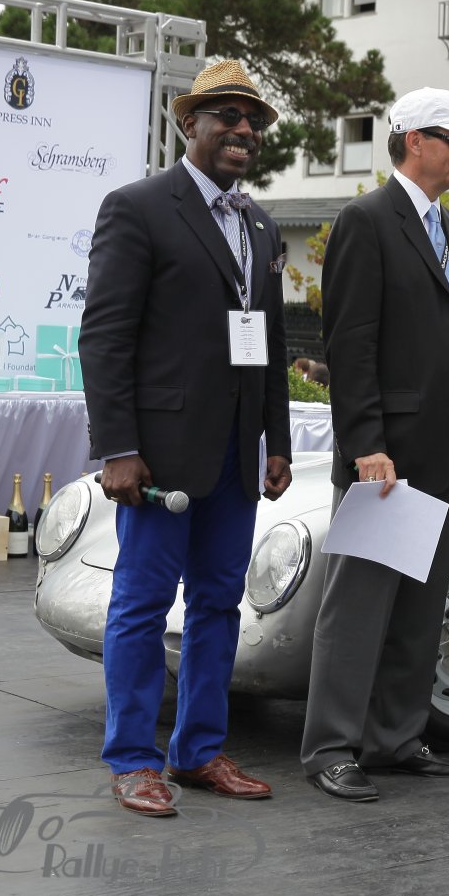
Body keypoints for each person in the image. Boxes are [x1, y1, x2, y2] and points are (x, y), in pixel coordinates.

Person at [79, 59, 292, 816]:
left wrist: (276, 441)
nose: (243, 130)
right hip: (160, 454)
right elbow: (105, 336)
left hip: (236, 454)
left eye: (253, 120)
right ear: (187, 123)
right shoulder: (137, 207)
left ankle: (199, 750)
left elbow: (267, 340)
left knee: (219, 604)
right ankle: (134, 758)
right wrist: (118, 448)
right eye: (227, 115)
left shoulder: (261, 224)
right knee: (141, 604)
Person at [301, 87, 449, 801]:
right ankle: (331, 747)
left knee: (420, 608)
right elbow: (350, 346)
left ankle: (394, 738)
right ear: (415, 140)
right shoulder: (366, 221)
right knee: (358, 609)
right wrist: (366, 445)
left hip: (444, 455)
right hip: (386, 456)